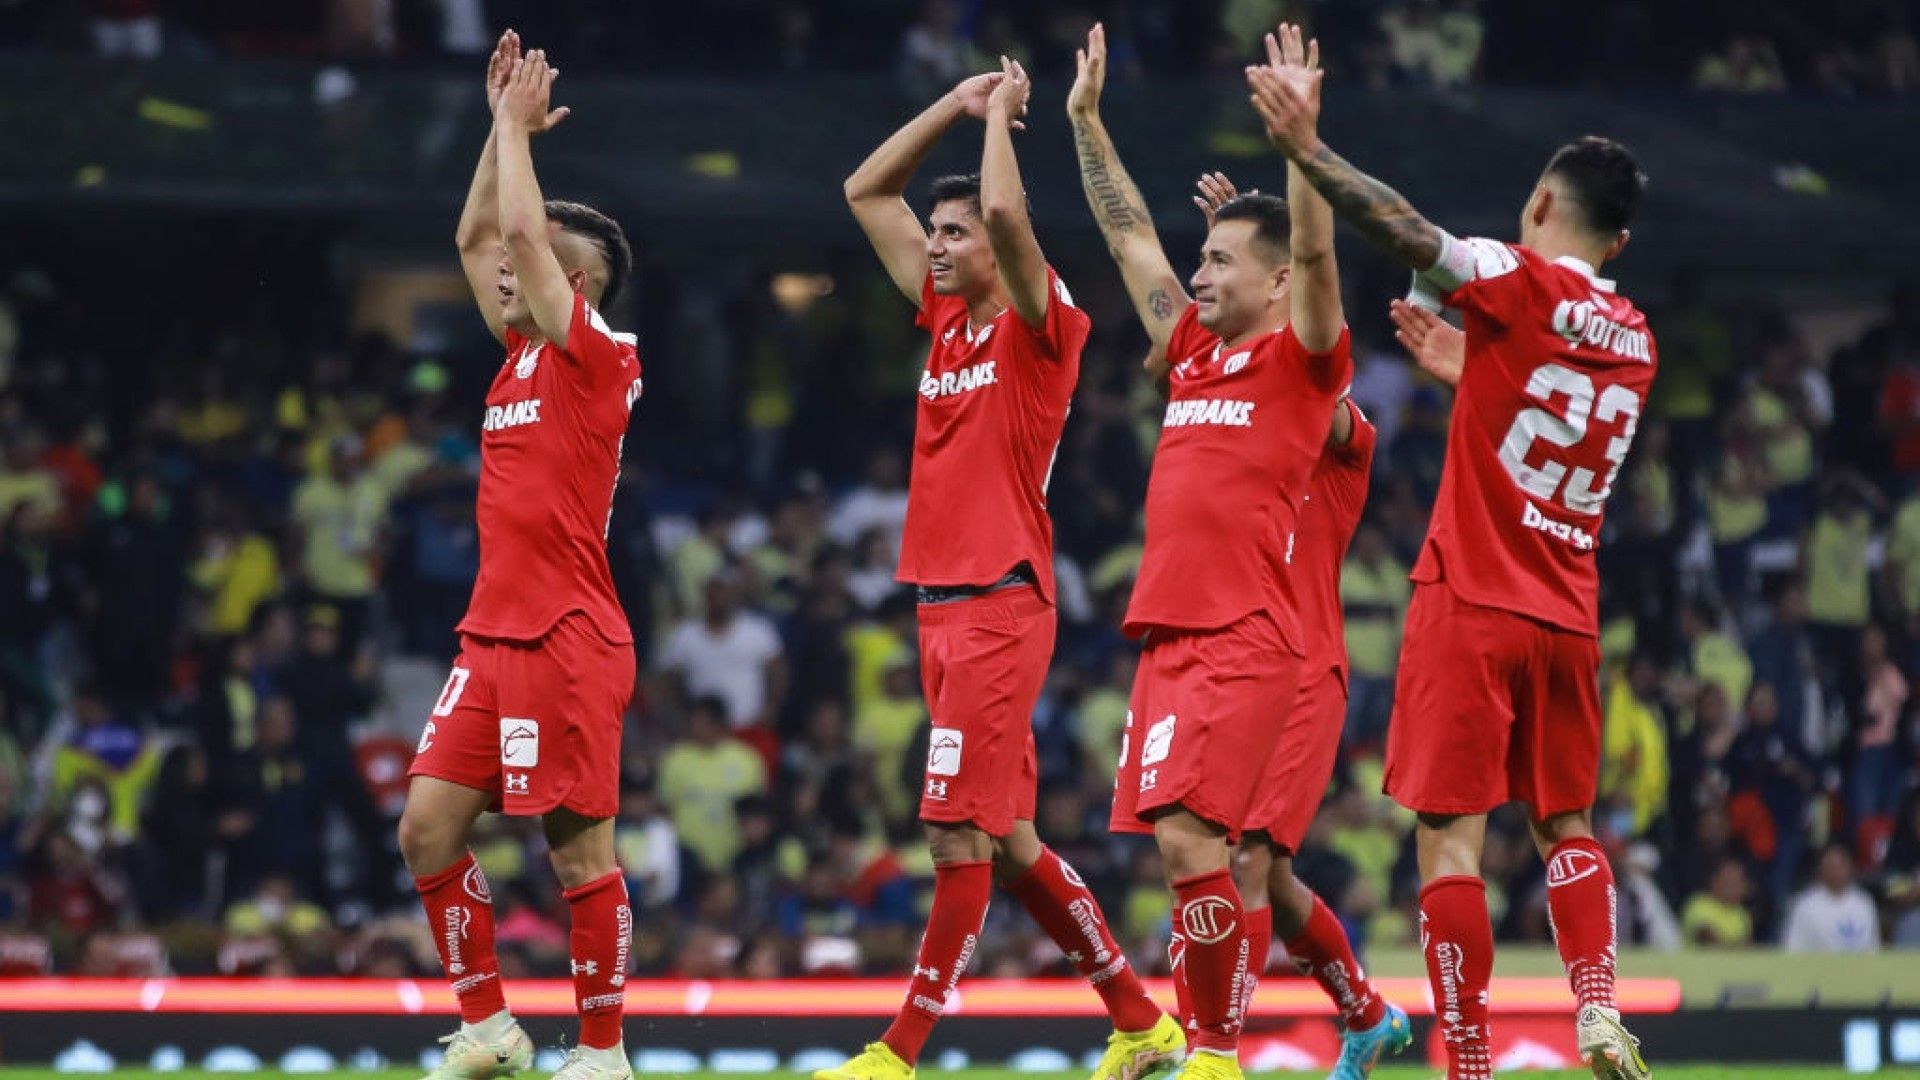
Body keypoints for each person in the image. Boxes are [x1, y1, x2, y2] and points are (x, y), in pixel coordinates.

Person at [1277, 52, 1659, 1078]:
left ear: (1539, 202)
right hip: (1568, 610)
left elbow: (1405, 232)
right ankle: (1596, 1007)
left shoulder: (1513, 277)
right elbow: (1549, 418)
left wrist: (1306, 152)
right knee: (1565, 822)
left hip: (1472, 598)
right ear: (1619, 242)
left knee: (1449, 842)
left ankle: (1470, 1066)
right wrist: (1474, 373)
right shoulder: (1636, 338)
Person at [816, 52, 1179, 1080]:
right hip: (940, 605)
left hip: (999, 604)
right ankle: (1139, 1019)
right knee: (1011, 840)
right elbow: (863, 191)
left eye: (953, 232)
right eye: (933, 232)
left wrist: (1001, 131)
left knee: (954, 839)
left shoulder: (1038, 324)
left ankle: (901, 1051)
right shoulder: (942, 319)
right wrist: (957, 101)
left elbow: (1015, 225)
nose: (934, 245)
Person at [1070, 25, 1373, 1080]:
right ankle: (1200, 1045)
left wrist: (1301, 144)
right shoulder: (1193, 356)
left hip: (1250, 633)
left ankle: (1210, 1049)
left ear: (1277, 281)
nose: (1193, 272)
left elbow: (1320, 253)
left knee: (1212, 850)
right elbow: (1129, 241)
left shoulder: (1305, 366)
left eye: (1218, 260)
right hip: (1165, 632)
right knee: (1180, 854)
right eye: (1199, 258)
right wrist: (1085, 124)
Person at [396, 32, 642, 1080]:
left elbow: (524, 242)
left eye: (526, 261)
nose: (498, 266)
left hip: (567, 633)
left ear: (575, 280)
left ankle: (602, 1051)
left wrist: (514, 133)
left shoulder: (598, 356)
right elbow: (473, 235)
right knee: (424, 831)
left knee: (575, 853)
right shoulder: (514, 361)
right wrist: (495, 122)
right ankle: (492, 1027)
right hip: (491, 632)